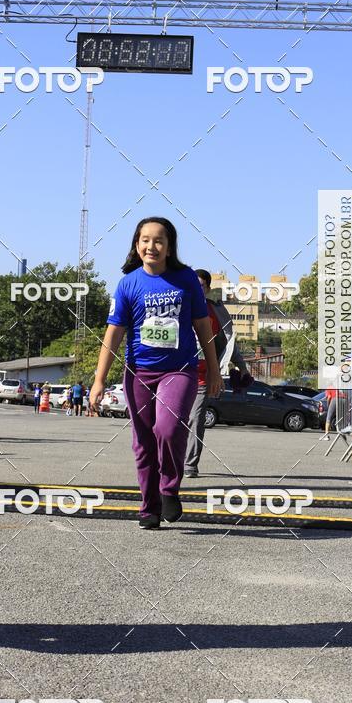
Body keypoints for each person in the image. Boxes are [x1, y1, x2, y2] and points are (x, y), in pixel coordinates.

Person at [90, 216, 223, 529]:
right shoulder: (127, 284)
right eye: (145, 239)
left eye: (158, 240)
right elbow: (113, 334)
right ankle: (148, 505)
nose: (152, 245)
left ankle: (169, 488)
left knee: (167, 428)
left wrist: (215, 370)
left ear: (169, 246)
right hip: (139, 373)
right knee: (143, 442)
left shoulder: (186, 279)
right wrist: (98, 381)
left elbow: (203, 327)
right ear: (137, 245)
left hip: (179, 370)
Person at [185, 268, 250, 478]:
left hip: (205, 376)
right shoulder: (179, 308)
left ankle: (190, 464)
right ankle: (169, 460)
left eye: (201, 285)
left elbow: (229, 343)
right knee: (173, 421)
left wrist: (242, 366)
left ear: (207, 289)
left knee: (196, 419)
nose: (196, 288)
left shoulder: (215, 311)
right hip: (178, 375)